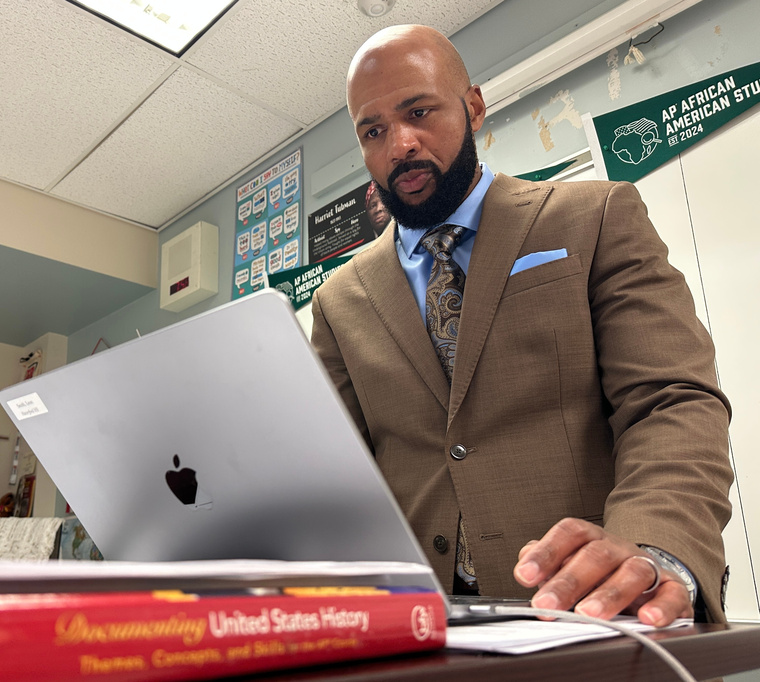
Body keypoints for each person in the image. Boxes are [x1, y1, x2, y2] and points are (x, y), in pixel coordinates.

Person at [309, 25, 733, 626]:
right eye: (373, 131)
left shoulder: (594, 217)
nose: (399, 144)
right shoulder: (338, 300)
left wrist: (653, 548)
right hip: (424, 631)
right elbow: (335, 474)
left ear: (473, 106)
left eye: (419, 111)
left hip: (598, 611)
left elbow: (670, 402)